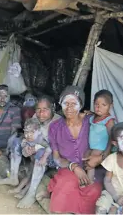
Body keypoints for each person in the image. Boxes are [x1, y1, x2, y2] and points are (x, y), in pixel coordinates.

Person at [41, 85, 102, 214]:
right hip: (68, 169)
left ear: (81, 105)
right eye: (65, 103)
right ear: (60, 104)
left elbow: (109, 131)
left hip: (91, 169)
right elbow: (57, 158)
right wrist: (74, 166)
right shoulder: (55, 127)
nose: (69, 108)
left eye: (74, 104)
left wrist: (97, 159)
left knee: (94, 189)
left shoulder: (91, 121)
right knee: (67, 182)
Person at [0, 95, 61, 208]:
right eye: (38, 109)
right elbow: (29, 135)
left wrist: (35, 149)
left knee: (40, 154)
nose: (41, 113)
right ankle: (13, 177)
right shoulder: (36, 117)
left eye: (45, 110)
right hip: (35, 148)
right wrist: (26, 146)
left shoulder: (58, 123)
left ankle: (31, 193)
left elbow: (55, 148)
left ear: (53, 108)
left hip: (51, 156)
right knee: (16, 142)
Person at [86, 89, 116, 183]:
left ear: (110, 106)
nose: (99, 108)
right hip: (92, 146)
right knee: (84, 156)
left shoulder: (109, 120)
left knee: (90, 161)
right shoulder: (94, 117)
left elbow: (111, 137)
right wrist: (91, 113)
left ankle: (89, 181)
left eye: (104, 105)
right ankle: (88, 177)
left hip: (101, 148)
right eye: (96, 104)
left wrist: (106, 153)